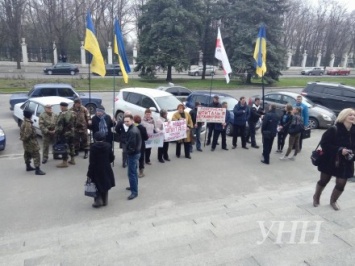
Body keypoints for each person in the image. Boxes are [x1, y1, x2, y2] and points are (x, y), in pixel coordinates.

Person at [313, 108, 355, 211]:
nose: (353, 117)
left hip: (346, 162)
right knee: (324, 180)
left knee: (341, 183)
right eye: (350, 115)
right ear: (344, 116)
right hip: (330, 160)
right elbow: (324, 144)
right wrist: (340, 150)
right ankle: (316, 197)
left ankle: (333, 201)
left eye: (354, 115)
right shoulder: (334, 129)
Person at [87, 132, 115, 208]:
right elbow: (111, 157)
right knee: (105, 183)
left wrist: (89, 172)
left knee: (96, 184)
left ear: (95, 139)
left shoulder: (93, 147)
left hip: (96, 168)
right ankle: (105, 200)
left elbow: (92, 161)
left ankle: (98, 200)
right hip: (106, 167)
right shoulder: (108, 145)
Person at [20, 110, 46, 175]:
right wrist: (25, 139)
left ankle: (28, 166)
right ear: (29, 115)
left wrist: (23, 139)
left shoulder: (24, 121)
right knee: (36, 154)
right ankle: (37, 170)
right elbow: (27, 134)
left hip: (26, 142)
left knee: (27, 153)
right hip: (31, 142)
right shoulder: (28, 123)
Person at [124, 114, 142, 200]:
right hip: (136, 153)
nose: (126, 123)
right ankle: (133, 187)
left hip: (133, 154)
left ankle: (134, 192)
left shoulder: (132, 131)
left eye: (127, 121)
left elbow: (132, 145)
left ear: (132, 121)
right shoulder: (134, 128)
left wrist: (128, 152)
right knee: (133, 172)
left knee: (132, 173)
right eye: (125, 121)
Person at [55, 101, 75, 168]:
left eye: (60, 106)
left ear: (62, 107)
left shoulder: (63, 115)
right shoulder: (72, 113)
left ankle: (64, 162)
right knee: (71, 145)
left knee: (65, 147)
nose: (60, 108)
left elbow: (60, 126)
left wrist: (57, 132)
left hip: (64, 134)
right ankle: (72, 159)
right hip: (71, 132)